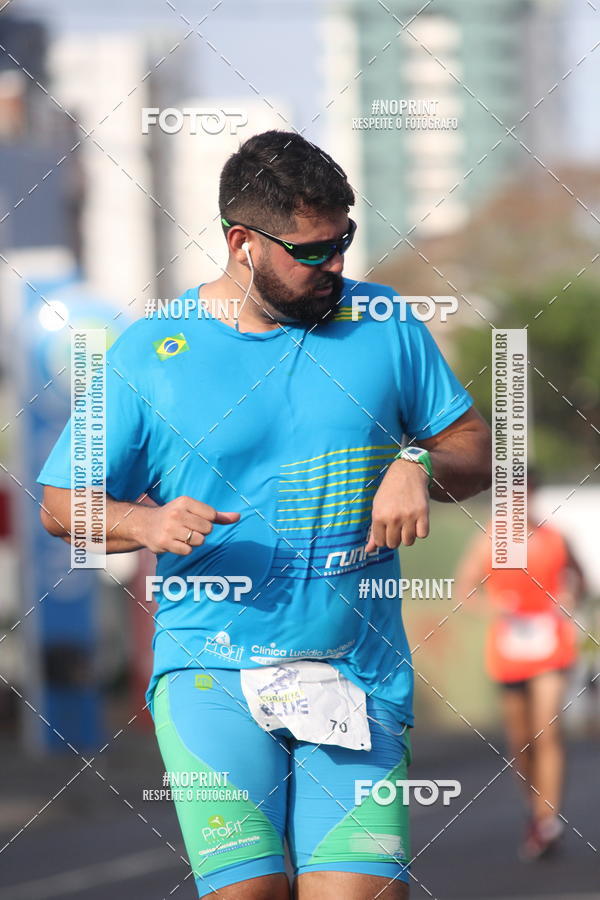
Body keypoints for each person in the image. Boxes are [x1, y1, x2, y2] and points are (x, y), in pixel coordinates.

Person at [38, 130, 491, 900]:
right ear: (241, 243)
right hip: (210, 672)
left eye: (342, 241)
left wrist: (416, 464)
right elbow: (58, 504)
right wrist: (144, 525)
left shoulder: (382, 321)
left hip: (355, 672)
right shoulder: (151, 352)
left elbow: (474, 449)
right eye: (311, 252)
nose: (335, 265)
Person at [455, 469, 585, 861]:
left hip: (550, 642)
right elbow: (465, 590)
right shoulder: (488, 540)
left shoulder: (555, 537)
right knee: (521, 741)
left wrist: (571, 596)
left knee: (548, 730)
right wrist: (492, 606)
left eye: (525, 494)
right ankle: (535, 808)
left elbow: (579, 578)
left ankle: (548, 820)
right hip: (510, 646)